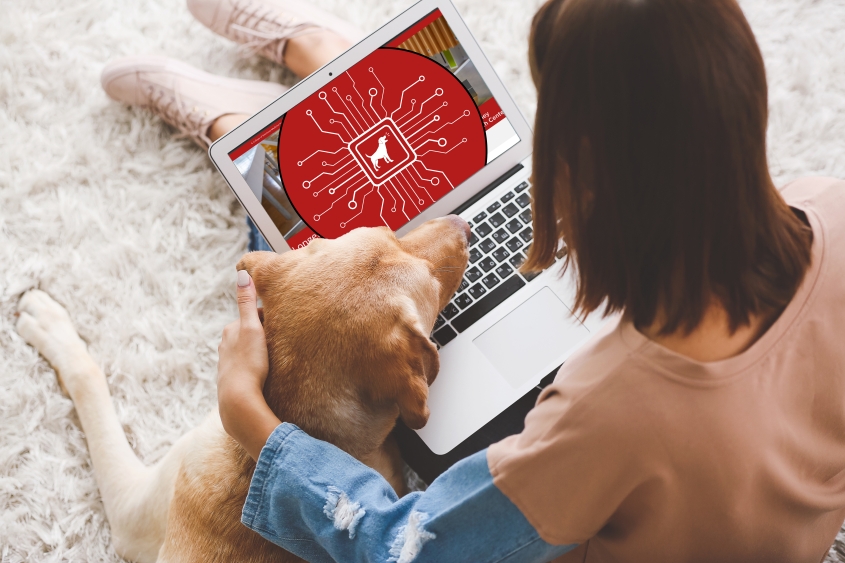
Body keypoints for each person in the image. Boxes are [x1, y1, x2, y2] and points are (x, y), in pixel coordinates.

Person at [113, 0, 845, 561]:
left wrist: (254, 421)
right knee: (393, 242)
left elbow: (403, 545)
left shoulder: (605, 414)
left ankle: (245, 128)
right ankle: (318, 58)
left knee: (334, 298)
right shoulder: (830, 206)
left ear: (581, 172)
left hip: (590, 487)